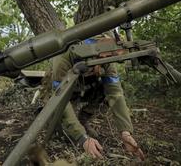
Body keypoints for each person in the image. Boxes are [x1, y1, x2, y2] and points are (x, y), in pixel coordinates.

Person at [52, 32, 145, 160]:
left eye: (113, 54)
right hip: (60, 91)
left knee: (105, 91)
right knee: (62, 134)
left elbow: (115, 93)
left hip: (83, 88)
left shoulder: (107, 59)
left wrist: (125, 131)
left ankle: (82, 120)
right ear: (99, 43)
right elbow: (60, 98)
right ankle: (60, 124)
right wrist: (82, 138)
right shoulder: (65, 55)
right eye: (109, 52)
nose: (110, 57)